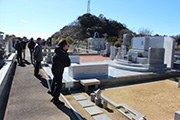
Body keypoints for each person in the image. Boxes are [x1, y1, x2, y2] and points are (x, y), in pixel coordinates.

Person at [49, 40, 70, 104]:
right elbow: (67, 63)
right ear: (64, 46)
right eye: (67, 45)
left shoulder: (58, 51)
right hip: (58, 70)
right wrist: (66, 54)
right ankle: (56, 99)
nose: (67, 46)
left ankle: (52, 91)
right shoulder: (62, 54)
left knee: (55, 79)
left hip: (55, 69)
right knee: (59, 85)